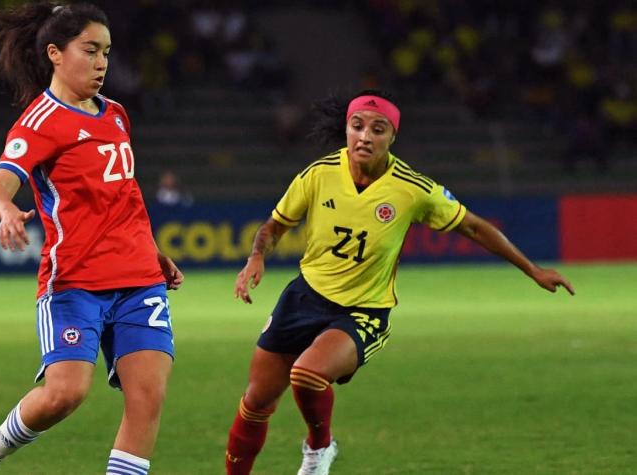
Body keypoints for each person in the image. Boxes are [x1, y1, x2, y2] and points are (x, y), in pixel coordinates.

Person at [224, 89, 574, 475]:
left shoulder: (413, 189)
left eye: (378, 129)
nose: (365, 136)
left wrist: (532, 269)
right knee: (255, 401)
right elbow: (274, 226)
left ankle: (319, 449)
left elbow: (473, 227)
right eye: (357, 126)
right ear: (346, 129)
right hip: (304, 297)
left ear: (392, 137)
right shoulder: (319, 174)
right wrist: (257, 255)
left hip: (362, 312)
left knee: (307, 374)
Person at [0, 3, 183, 475]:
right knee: (66, 393)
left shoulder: (115, 114)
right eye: (90, 50)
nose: (101, 63)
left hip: (138, 278)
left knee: (148, 395)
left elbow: (125, 195)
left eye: (107, 53)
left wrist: (154, 253)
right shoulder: (40, 122)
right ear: (56, 54)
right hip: (75, 281)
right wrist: (7, 211)